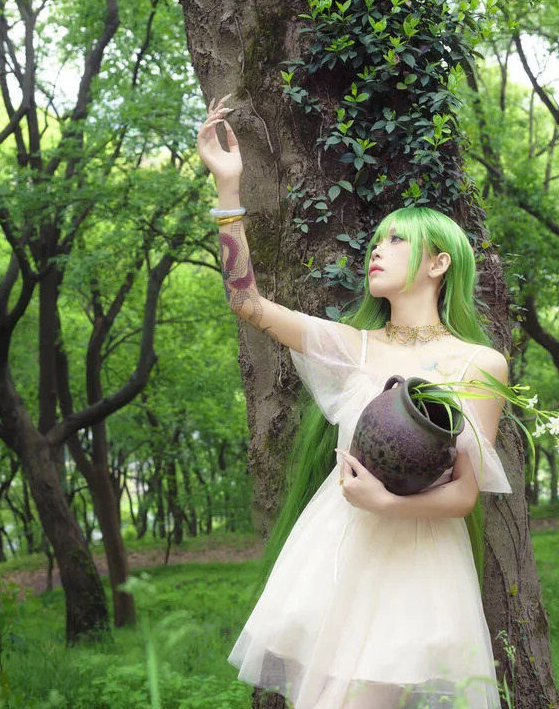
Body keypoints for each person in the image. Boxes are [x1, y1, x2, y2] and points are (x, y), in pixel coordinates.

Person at [197, 95, 512, 709]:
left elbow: (465, 495)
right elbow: (247, 304)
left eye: (396, 240)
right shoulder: (352, 347)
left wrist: (385, 502)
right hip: (337, 549)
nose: (377, 250)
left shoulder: (480, 364)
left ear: (439, 262)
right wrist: (227, 185)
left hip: (417, 567)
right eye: (376, 240)